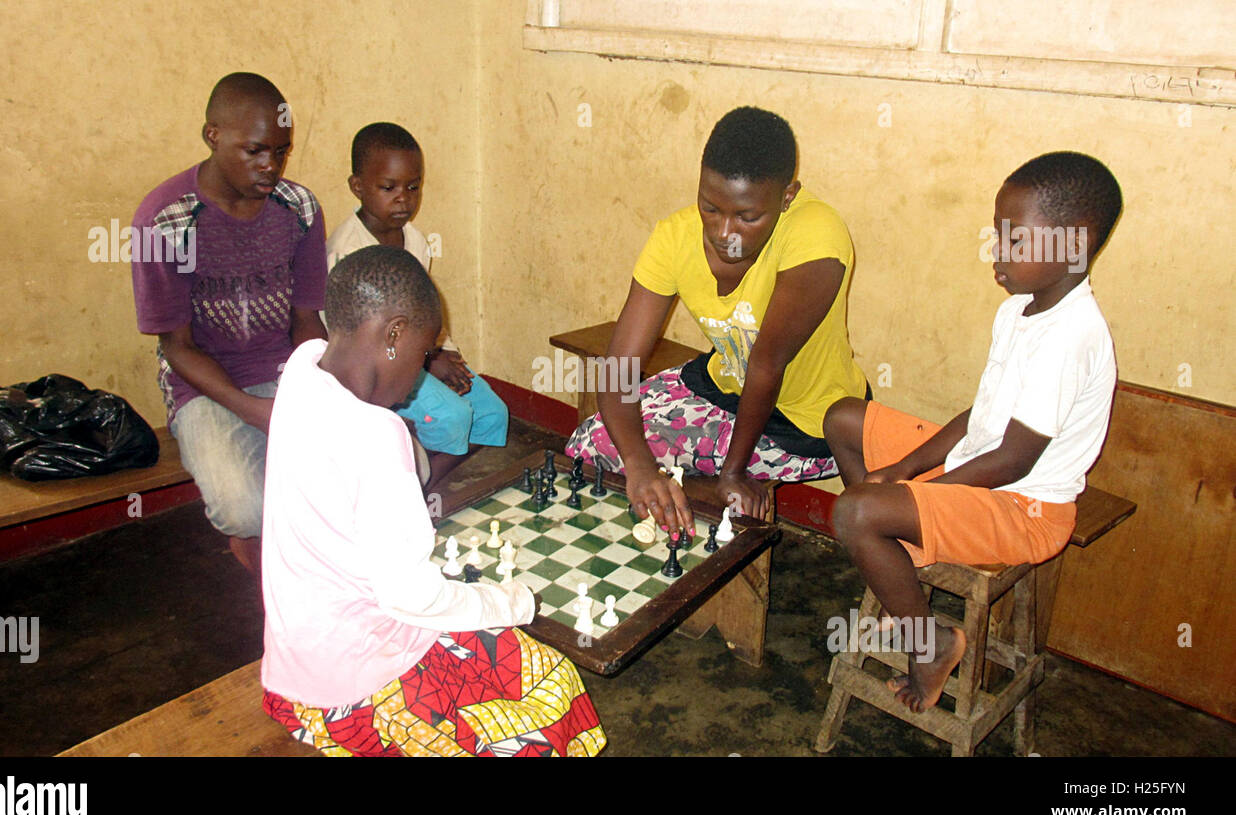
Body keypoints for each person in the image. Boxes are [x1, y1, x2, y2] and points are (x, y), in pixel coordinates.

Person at [260, 245, 606, 757]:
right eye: (424, 355)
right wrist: (510, 602)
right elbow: (414, 598)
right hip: (353, 697)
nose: (421, 374)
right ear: (395, 335)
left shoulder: (302, 368)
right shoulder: (375, 436)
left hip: (292, 666)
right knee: (551, 686)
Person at [823, 151, 1122, 714]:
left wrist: (912, 496)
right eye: (998, 236)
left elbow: (1012, 461)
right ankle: (896, 563)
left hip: (1023, 508)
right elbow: (979, 417)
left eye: (1016, 242)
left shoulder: (1072, 336)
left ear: (1074, 247)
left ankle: (929, 641)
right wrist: (906, 470)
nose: (997, 255)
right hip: (982, 468)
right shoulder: (1019, 312)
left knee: (855, 513)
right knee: (843, 418)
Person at [566, 106, 867, 533]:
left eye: (747, 217)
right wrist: (640, 467)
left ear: (787, 196)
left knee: (704, 497)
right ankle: (668, 552)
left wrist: (733, 472)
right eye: (710, 207)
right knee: (590, 448)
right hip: (720, 387)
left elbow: (767, 364)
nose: (725, 232)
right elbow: (619, 367)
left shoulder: (816, 234)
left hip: (802, 420)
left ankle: (703, 515)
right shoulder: (674, 236)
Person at [131, 72, 327, 574]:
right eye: (256, 151)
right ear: (212, 136)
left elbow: (307, 319)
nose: (272, 167)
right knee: (246, 506)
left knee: (386, 461)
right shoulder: (165, 221)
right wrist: (256, 411)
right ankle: (261, 572)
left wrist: (315, 387)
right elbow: (177, 347)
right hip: (204, 384)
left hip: (286, 372)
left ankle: (322, 577)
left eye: (282, 152)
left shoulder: (299, 209)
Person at [326, 122, 509, 491]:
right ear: (357, 187)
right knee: (455, 418)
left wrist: (442, 354)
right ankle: (413, 488)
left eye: (413, 187)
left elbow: (422, 313)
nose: (404, 199)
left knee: (493, 414)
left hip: (424, 356)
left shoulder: (416, 240)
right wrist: (429, 363)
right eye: (388, 187)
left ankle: (423, 482)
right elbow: (353, 345)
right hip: (382, 369)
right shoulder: (347, 251)